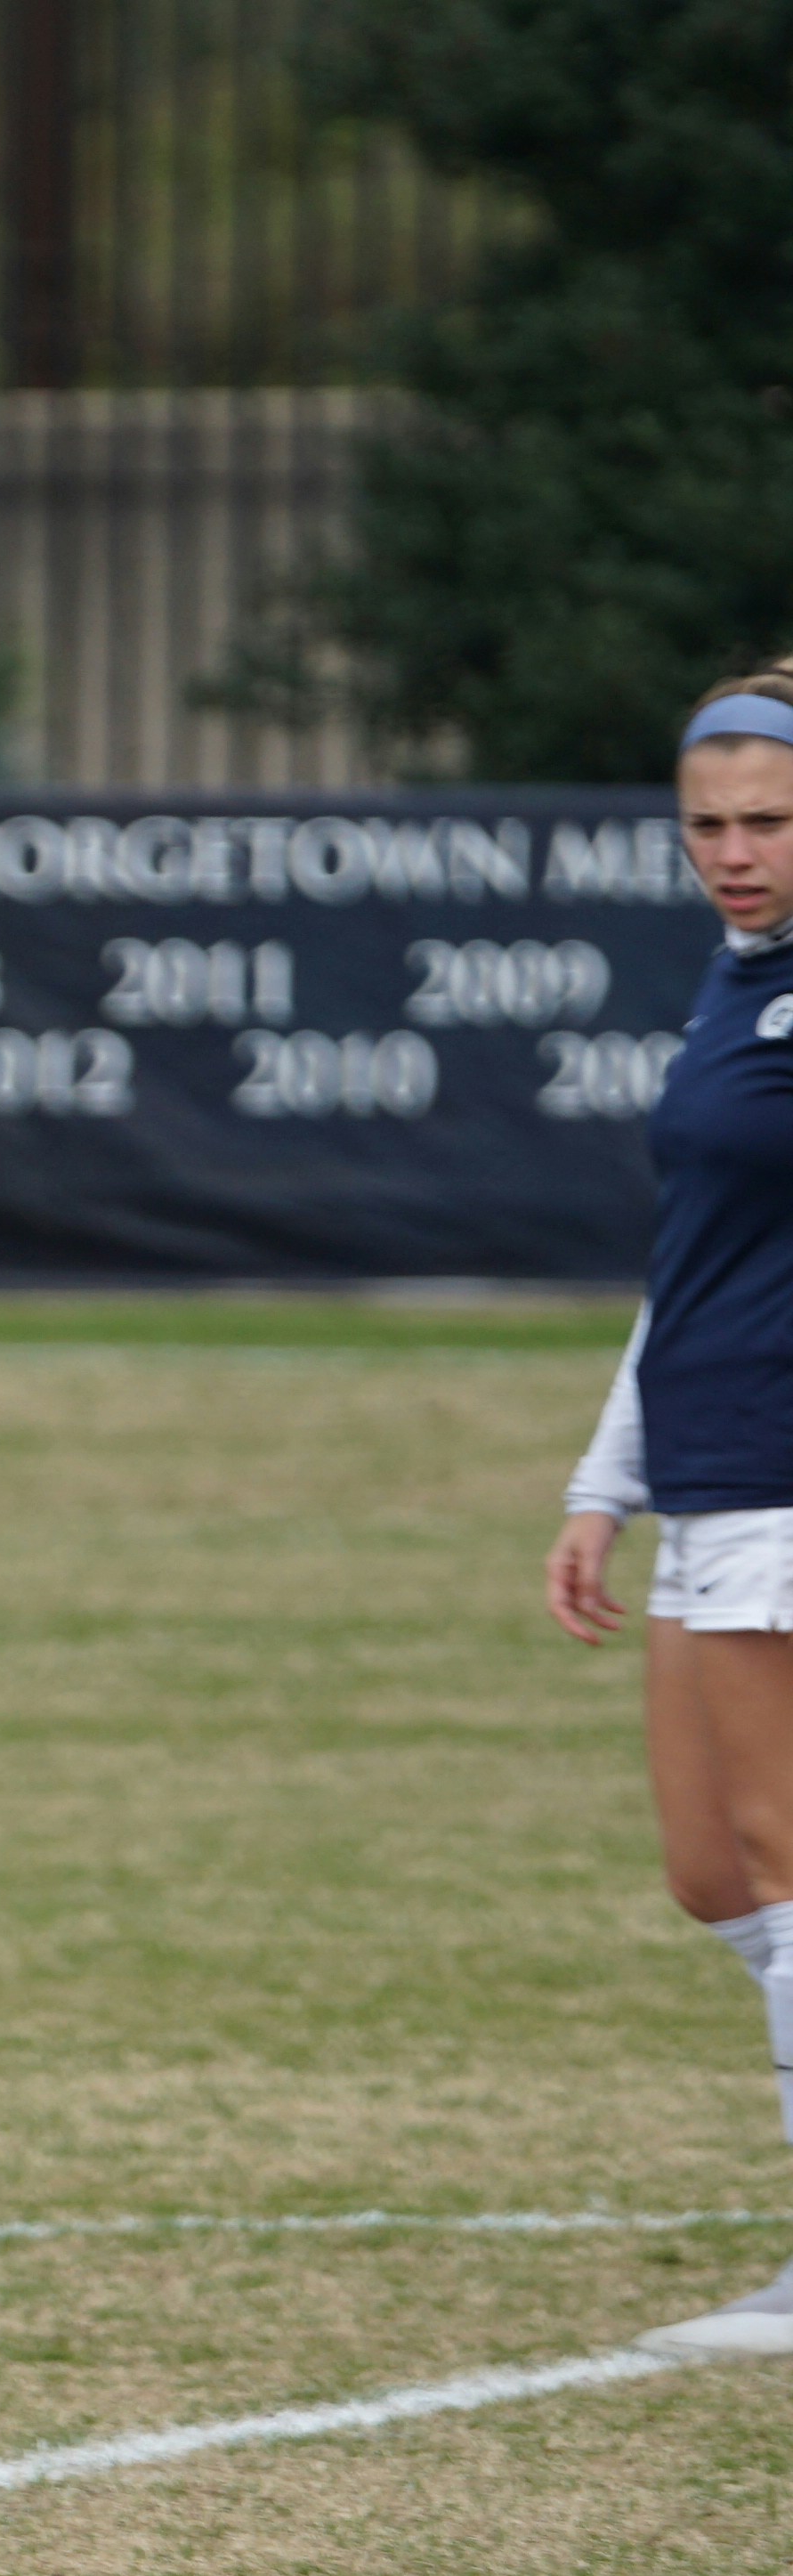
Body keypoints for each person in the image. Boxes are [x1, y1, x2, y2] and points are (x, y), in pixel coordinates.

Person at [559, 668, 793, 2356]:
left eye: (769, 821)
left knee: (788, 1847)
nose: (734, 850)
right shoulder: (734, 987)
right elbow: (690, 1264)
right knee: (711, 1873)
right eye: (707, 824)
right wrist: (604, 1482)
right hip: (705, 1464)